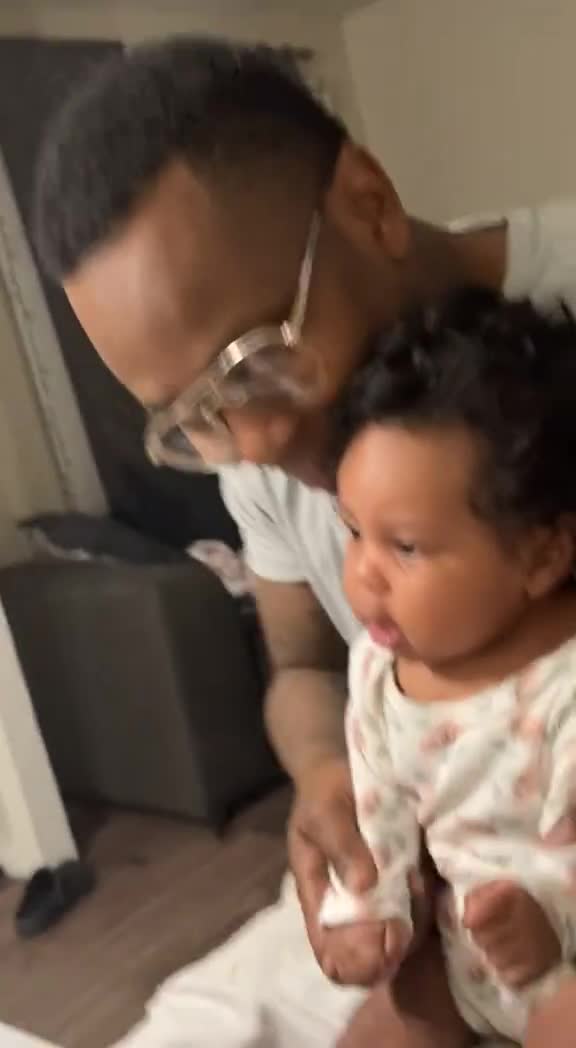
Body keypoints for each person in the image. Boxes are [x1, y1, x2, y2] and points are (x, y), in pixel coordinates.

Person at [32, 37, 576, 1044]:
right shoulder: (267, 448)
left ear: (369, 202)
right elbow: (302, 665)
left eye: (253, 362)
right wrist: (329, 774)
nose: (253, 446)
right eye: (191, 417)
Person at [316, 288, 576, 1046]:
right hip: (464, 959)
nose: (363, 573)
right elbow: (379, 811)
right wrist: (369, 910)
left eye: (404, 546)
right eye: (353, 531)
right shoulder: (379, 670)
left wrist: (550, 919)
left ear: (540, 555)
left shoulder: (562, 683)